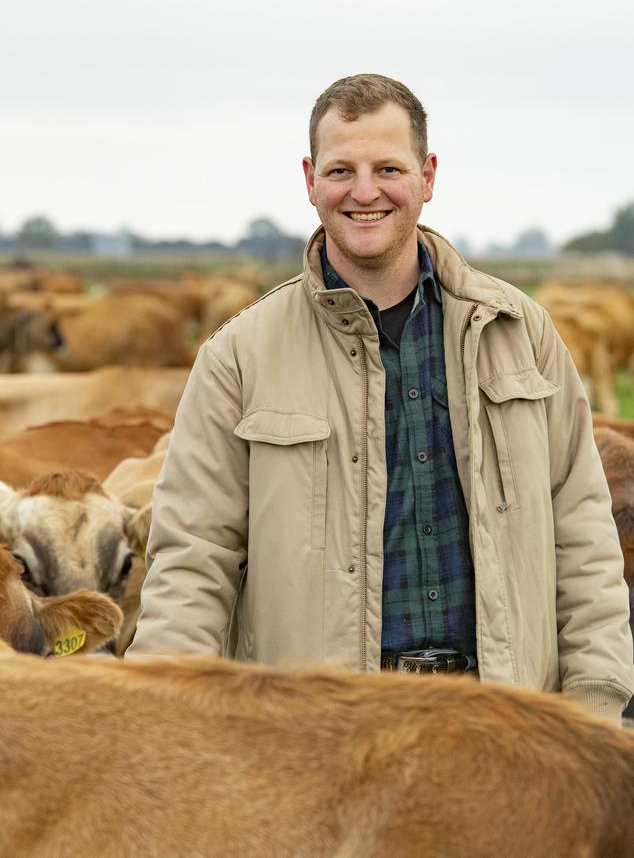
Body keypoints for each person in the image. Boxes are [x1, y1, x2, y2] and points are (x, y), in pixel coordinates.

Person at [128, 73, 633, 723]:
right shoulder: (239, 356)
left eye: (387, 168)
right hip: (319, 742)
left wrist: (591, 713)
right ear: (310, 180)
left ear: (427, 175)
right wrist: (163, 726)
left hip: (504, 734)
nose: (364, 191)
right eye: (342, 170)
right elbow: (193, 560)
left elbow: (584, 538)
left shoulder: (520, 333)